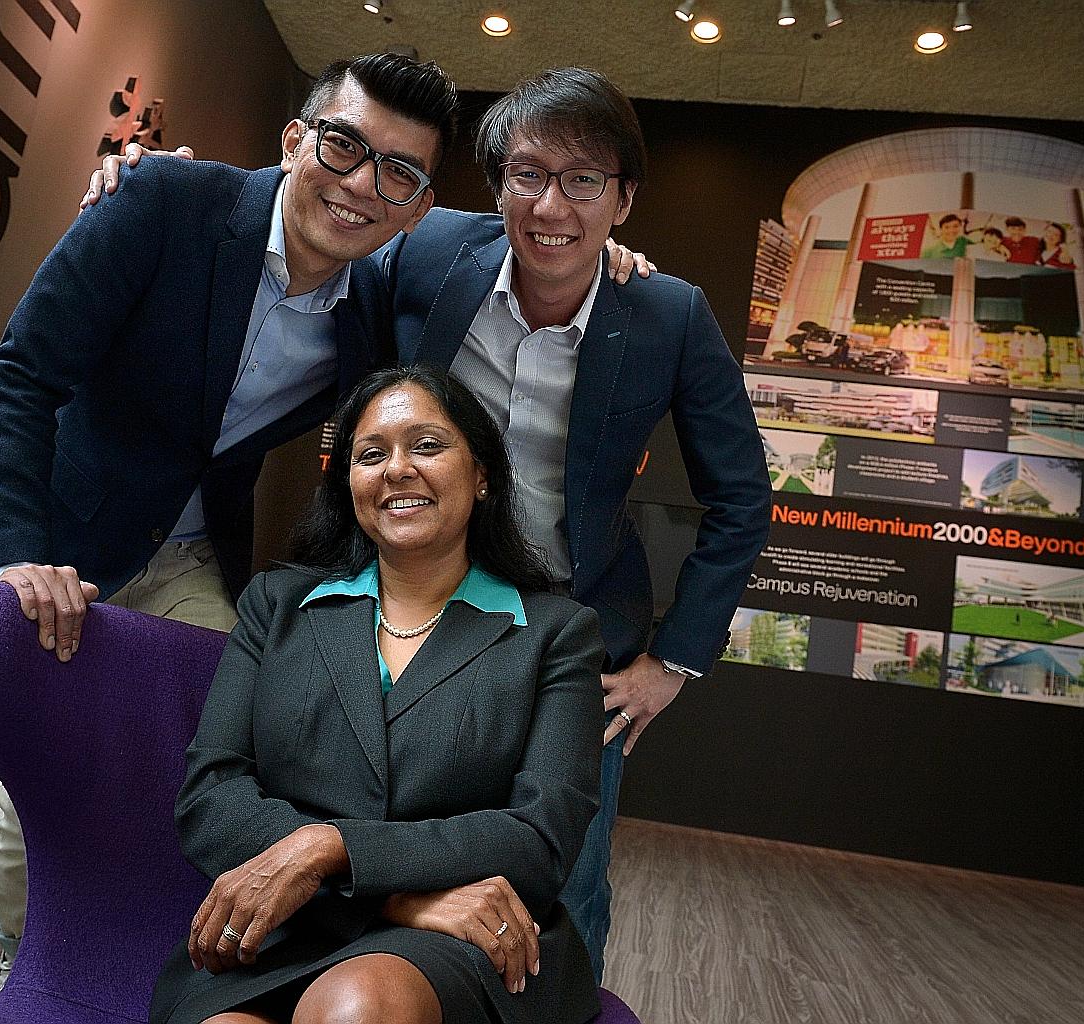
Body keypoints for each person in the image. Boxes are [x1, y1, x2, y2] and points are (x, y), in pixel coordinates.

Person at [90, 66, 772, 982]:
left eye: (584, 182)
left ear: (625, 199)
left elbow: (743, 498)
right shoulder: (427, 251)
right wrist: (156, 185)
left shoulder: (666, 314)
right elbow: (313, 218)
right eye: (528, 174)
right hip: (409, 610)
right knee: (358, 829)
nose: (552, 206)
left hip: (567, 644)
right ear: (495, 187)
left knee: (567, 882)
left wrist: (674, 661)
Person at [0, 53, 458, 1001]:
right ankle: (23, 955)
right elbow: (21, 375)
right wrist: (13, 557)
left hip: (195, 552)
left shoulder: (369, 317)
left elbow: (512, 233)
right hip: (73, 536)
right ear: (295, 140)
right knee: (50, 759)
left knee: (219, 754)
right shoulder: (165, 202)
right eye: (343, 146)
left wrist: (595, 243)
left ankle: (158, 956)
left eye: (397, 174)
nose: (361, 186)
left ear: (417, 206)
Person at [149, 365, 605, 1024]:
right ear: (349, 485)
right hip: (286, 928)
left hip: (461, 943)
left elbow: (539, 840)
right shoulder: (275, 606)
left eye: (426, 445)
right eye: (371, 454)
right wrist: (395, 896)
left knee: (355, 1006)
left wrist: (328, 848)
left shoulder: (557, 634)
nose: (397, 469)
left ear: (482, 476)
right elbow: (210, 798)